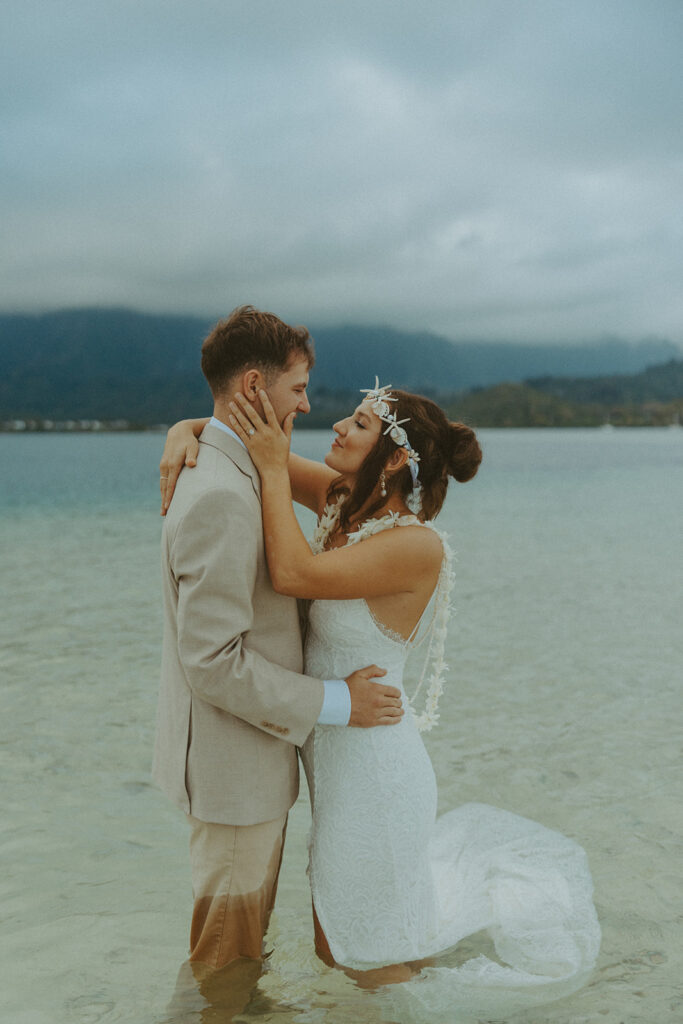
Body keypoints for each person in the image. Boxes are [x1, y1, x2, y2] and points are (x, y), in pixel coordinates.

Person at [163, 373, 601, 1002]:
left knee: (365, 958)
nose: (338, 425)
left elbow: (292, 572)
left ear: (395, 458)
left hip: (374, 776)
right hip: (335, 766)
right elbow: (253, 442)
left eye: (359, 423)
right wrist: (183, 430)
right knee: (338, 946)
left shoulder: (415, 546)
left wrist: (269, 467)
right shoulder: (345, 502)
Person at [152, 307, 405, 991]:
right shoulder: (220, 495)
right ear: (257, 384)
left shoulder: (239, 473)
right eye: (298, 389)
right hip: (234, 775)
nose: (309, 405)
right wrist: (337, 703)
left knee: (240, 962)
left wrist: (191, 425)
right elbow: (212, 661)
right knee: (224, 968)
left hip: (256, 767)